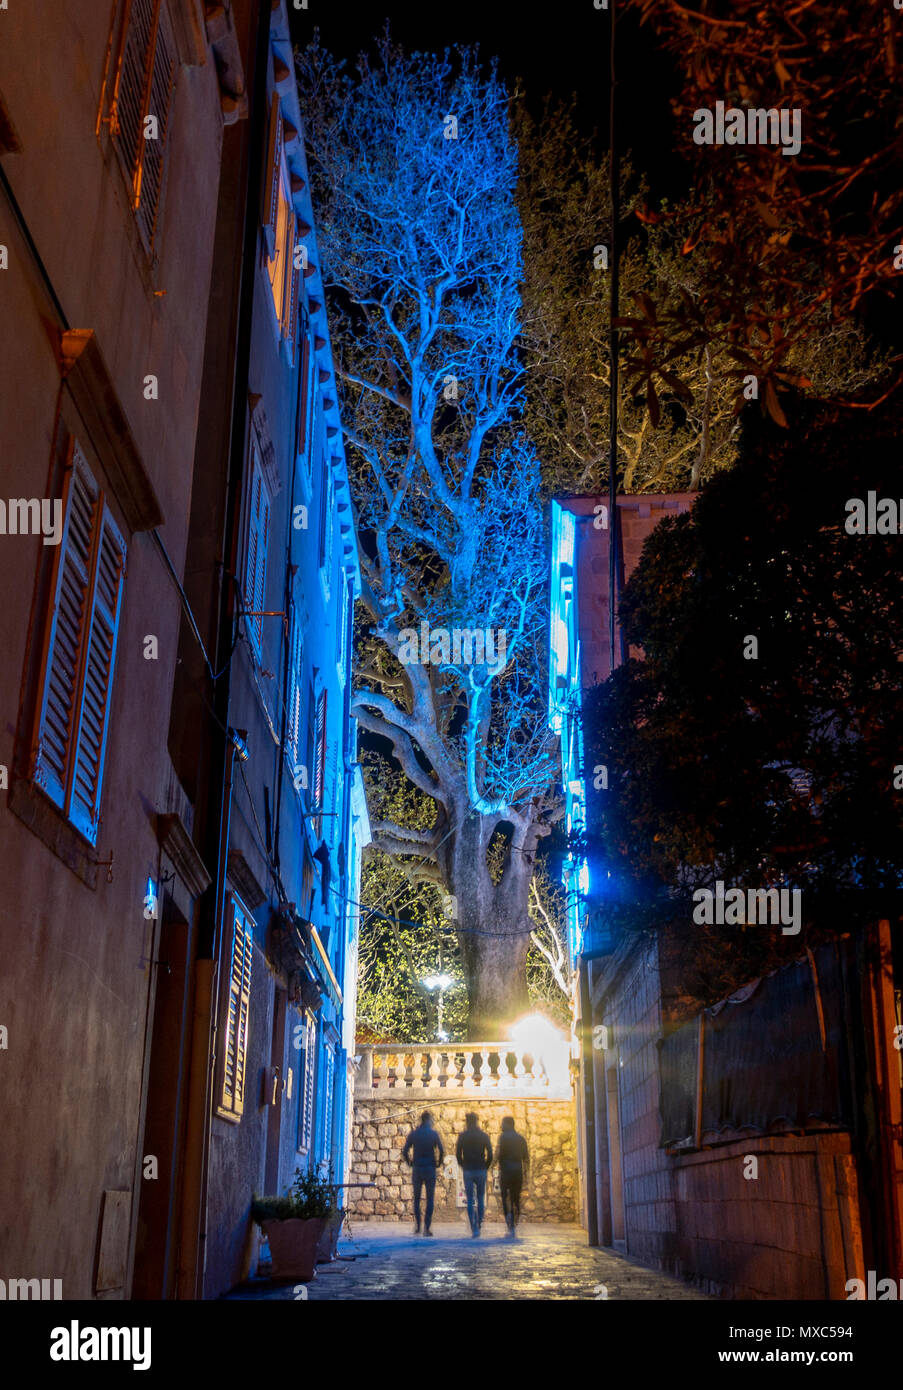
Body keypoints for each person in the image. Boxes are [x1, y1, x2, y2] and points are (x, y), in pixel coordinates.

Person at [402, 1110, 445, 1236]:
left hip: (417, 1168)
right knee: (430, 1199)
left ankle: (418, 1227)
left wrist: (410, 1162)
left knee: (417, 1198)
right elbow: (441, 1150)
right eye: (431, 1119)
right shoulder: (433, 1134)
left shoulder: (414, 1134)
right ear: (428, 1120)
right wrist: (438, 1163)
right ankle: (427, 1228)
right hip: (430, 1169)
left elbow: (405, 1151)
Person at [455, 1112, 493, 1237]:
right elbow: (490, 1155)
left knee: (470, 1200)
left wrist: (463, 1166)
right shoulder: (484, 1136)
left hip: (468, 1170)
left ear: (467, 1122)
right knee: (481, 1198)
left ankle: (473, 1227)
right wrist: (485, 1167)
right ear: (477, 1121)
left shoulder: (463, 1136)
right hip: (481, 1170)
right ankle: (480, 1223)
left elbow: (458, 1155)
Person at [496, 1115, 529, 1237]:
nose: (501, 1126)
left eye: (503, 1124)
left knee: (505, 1198)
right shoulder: (521, 1139)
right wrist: (526, 1174)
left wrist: (493, 1164)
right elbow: (526, 1159)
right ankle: (514, 1226)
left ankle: (510, 1226)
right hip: (517, 1173)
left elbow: (498, 1154)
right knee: (516, 1199)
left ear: (509, 1124)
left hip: (506, 1172)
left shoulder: (503, 1138)